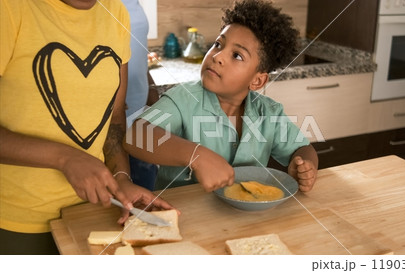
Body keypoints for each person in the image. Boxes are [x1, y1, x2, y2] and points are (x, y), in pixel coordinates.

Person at [0, 0, 174, 255]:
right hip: (18, 223)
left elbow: (114, 118)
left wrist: (121, 180)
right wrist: (65, 158)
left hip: (91, 214)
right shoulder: (10, 9)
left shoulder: (115, 12)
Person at [124, 0, 318, 193]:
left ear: (257, 81)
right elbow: (136, 136)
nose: (218, 56)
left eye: (237, 55)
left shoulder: (269, 113)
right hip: (184, 214)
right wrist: (195, 155)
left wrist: (304, 165)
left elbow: (302, 149)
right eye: (218, 44)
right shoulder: (184, 99)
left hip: (243, 217)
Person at [121, 0, 159, 190]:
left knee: (146, 182)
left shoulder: (133, 3)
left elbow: (136, 51)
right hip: (114, 121)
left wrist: (151, 88)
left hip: (141, 113)